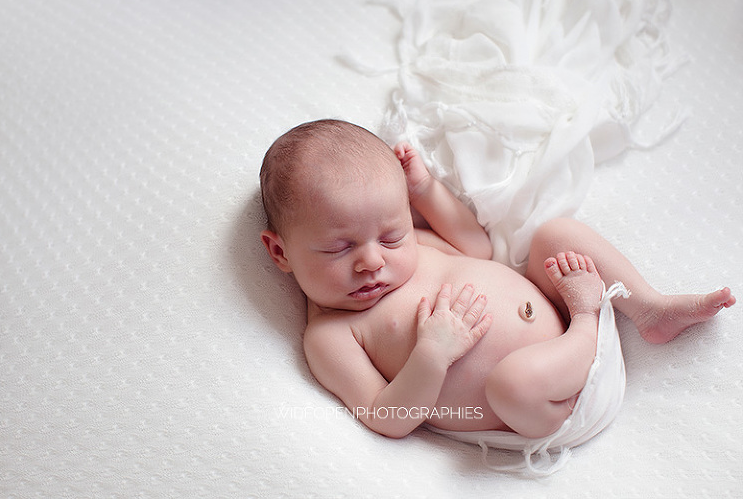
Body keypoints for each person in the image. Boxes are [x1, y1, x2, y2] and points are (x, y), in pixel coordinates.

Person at [259, 119, 735, 446]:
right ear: (281, 252)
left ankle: (649, 309)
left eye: (391, 235)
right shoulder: (331, 336)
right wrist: (433, 352)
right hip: (546, 405)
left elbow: (478, 248)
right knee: (511, 381)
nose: (371, 262)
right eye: (339, 249)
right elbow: (388, 418)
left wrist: (427, 191)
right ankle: (588, 321)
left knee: (555, 234)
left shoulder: (415, 248)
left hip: (562, 321)